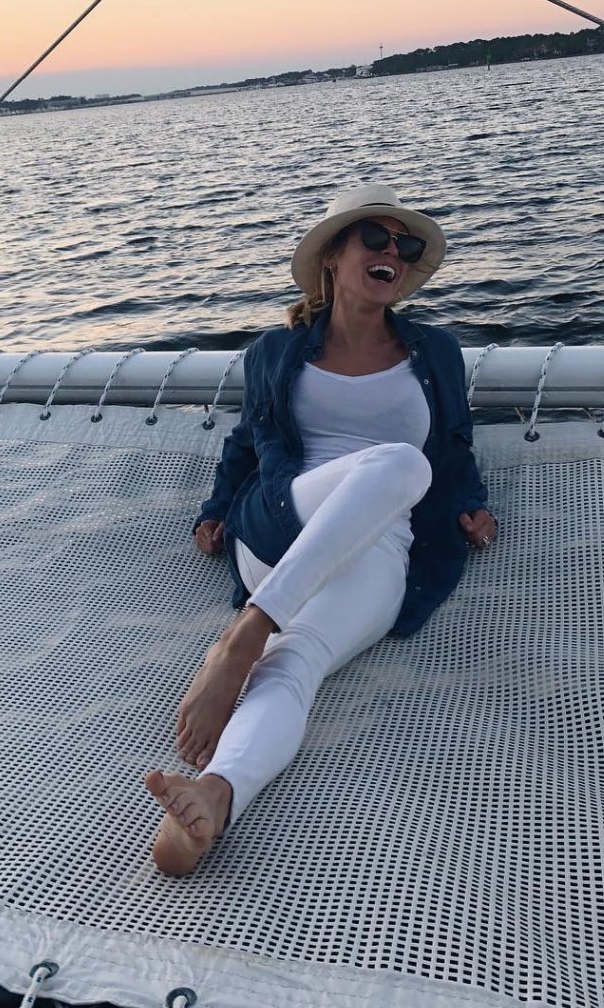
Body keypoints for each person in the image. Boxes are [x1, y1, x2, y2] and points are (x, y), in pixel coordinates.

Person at [145, 183, 496, 875]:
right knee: (399, 463)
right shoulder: (276, 351)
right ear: (333, 255)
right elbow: (246, 442)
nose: (393, 251)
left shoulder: (436, 351)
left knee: (297, 661)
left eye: (406, 244)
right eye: (376, 237)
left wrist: (473, 505)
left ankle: (217, 793)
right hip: (284, 518)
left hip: (384, 543)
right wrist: (215, 509)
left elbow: (455, 446)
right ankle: (243, 636)